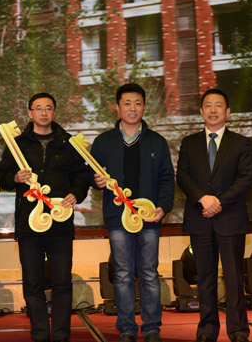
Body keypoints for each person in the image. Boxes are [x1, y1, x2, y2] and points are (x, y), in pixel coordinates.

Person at [0, 92, 90, 342]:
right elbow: (1, 176)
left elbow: (82, 176)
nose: (44, 113)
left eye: (48, 108)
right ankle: (39, 334)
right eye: (38, 108)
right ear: (30, 113)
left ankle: (61, 335)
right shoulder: (17, 144)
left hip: (60, 222)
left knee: (62, 283)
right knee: (32, 283)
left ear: (54, 112)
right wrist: (15, 178)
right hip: (28, 224)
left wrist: (76, 193)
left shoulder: (68, 143)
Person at [91, 83, 175, 342]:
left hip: (149, 217)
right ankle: (126, 328)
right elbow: (91, 176)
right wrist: (96, 180)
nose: (132, 108)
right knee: (123, 274)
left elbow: (167, 178)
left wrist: (163, 206)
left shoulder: (157, 141)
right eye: (127, 103)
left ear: (144, 106)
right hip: (118, 219)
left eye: (138, 103)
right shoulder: (103, 142)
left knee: (149, 273)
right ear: (117, 107)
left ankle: (152, 328)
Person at [176, 89, 252, 342]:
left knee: (234, 280)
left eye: (218, 105)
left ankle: (238, 331)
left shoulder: (240, 143)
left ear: (227, 111)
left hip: (230, 220)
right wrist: (203, 198)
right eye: (208, 106)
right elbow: (183, 177)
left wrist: (218, 201)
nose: (213, 110)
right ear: (201, 111)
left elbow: (246, 179)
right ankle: (207, 331)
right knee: (205, 281)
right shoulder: (189, 143)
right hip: (200, 220)